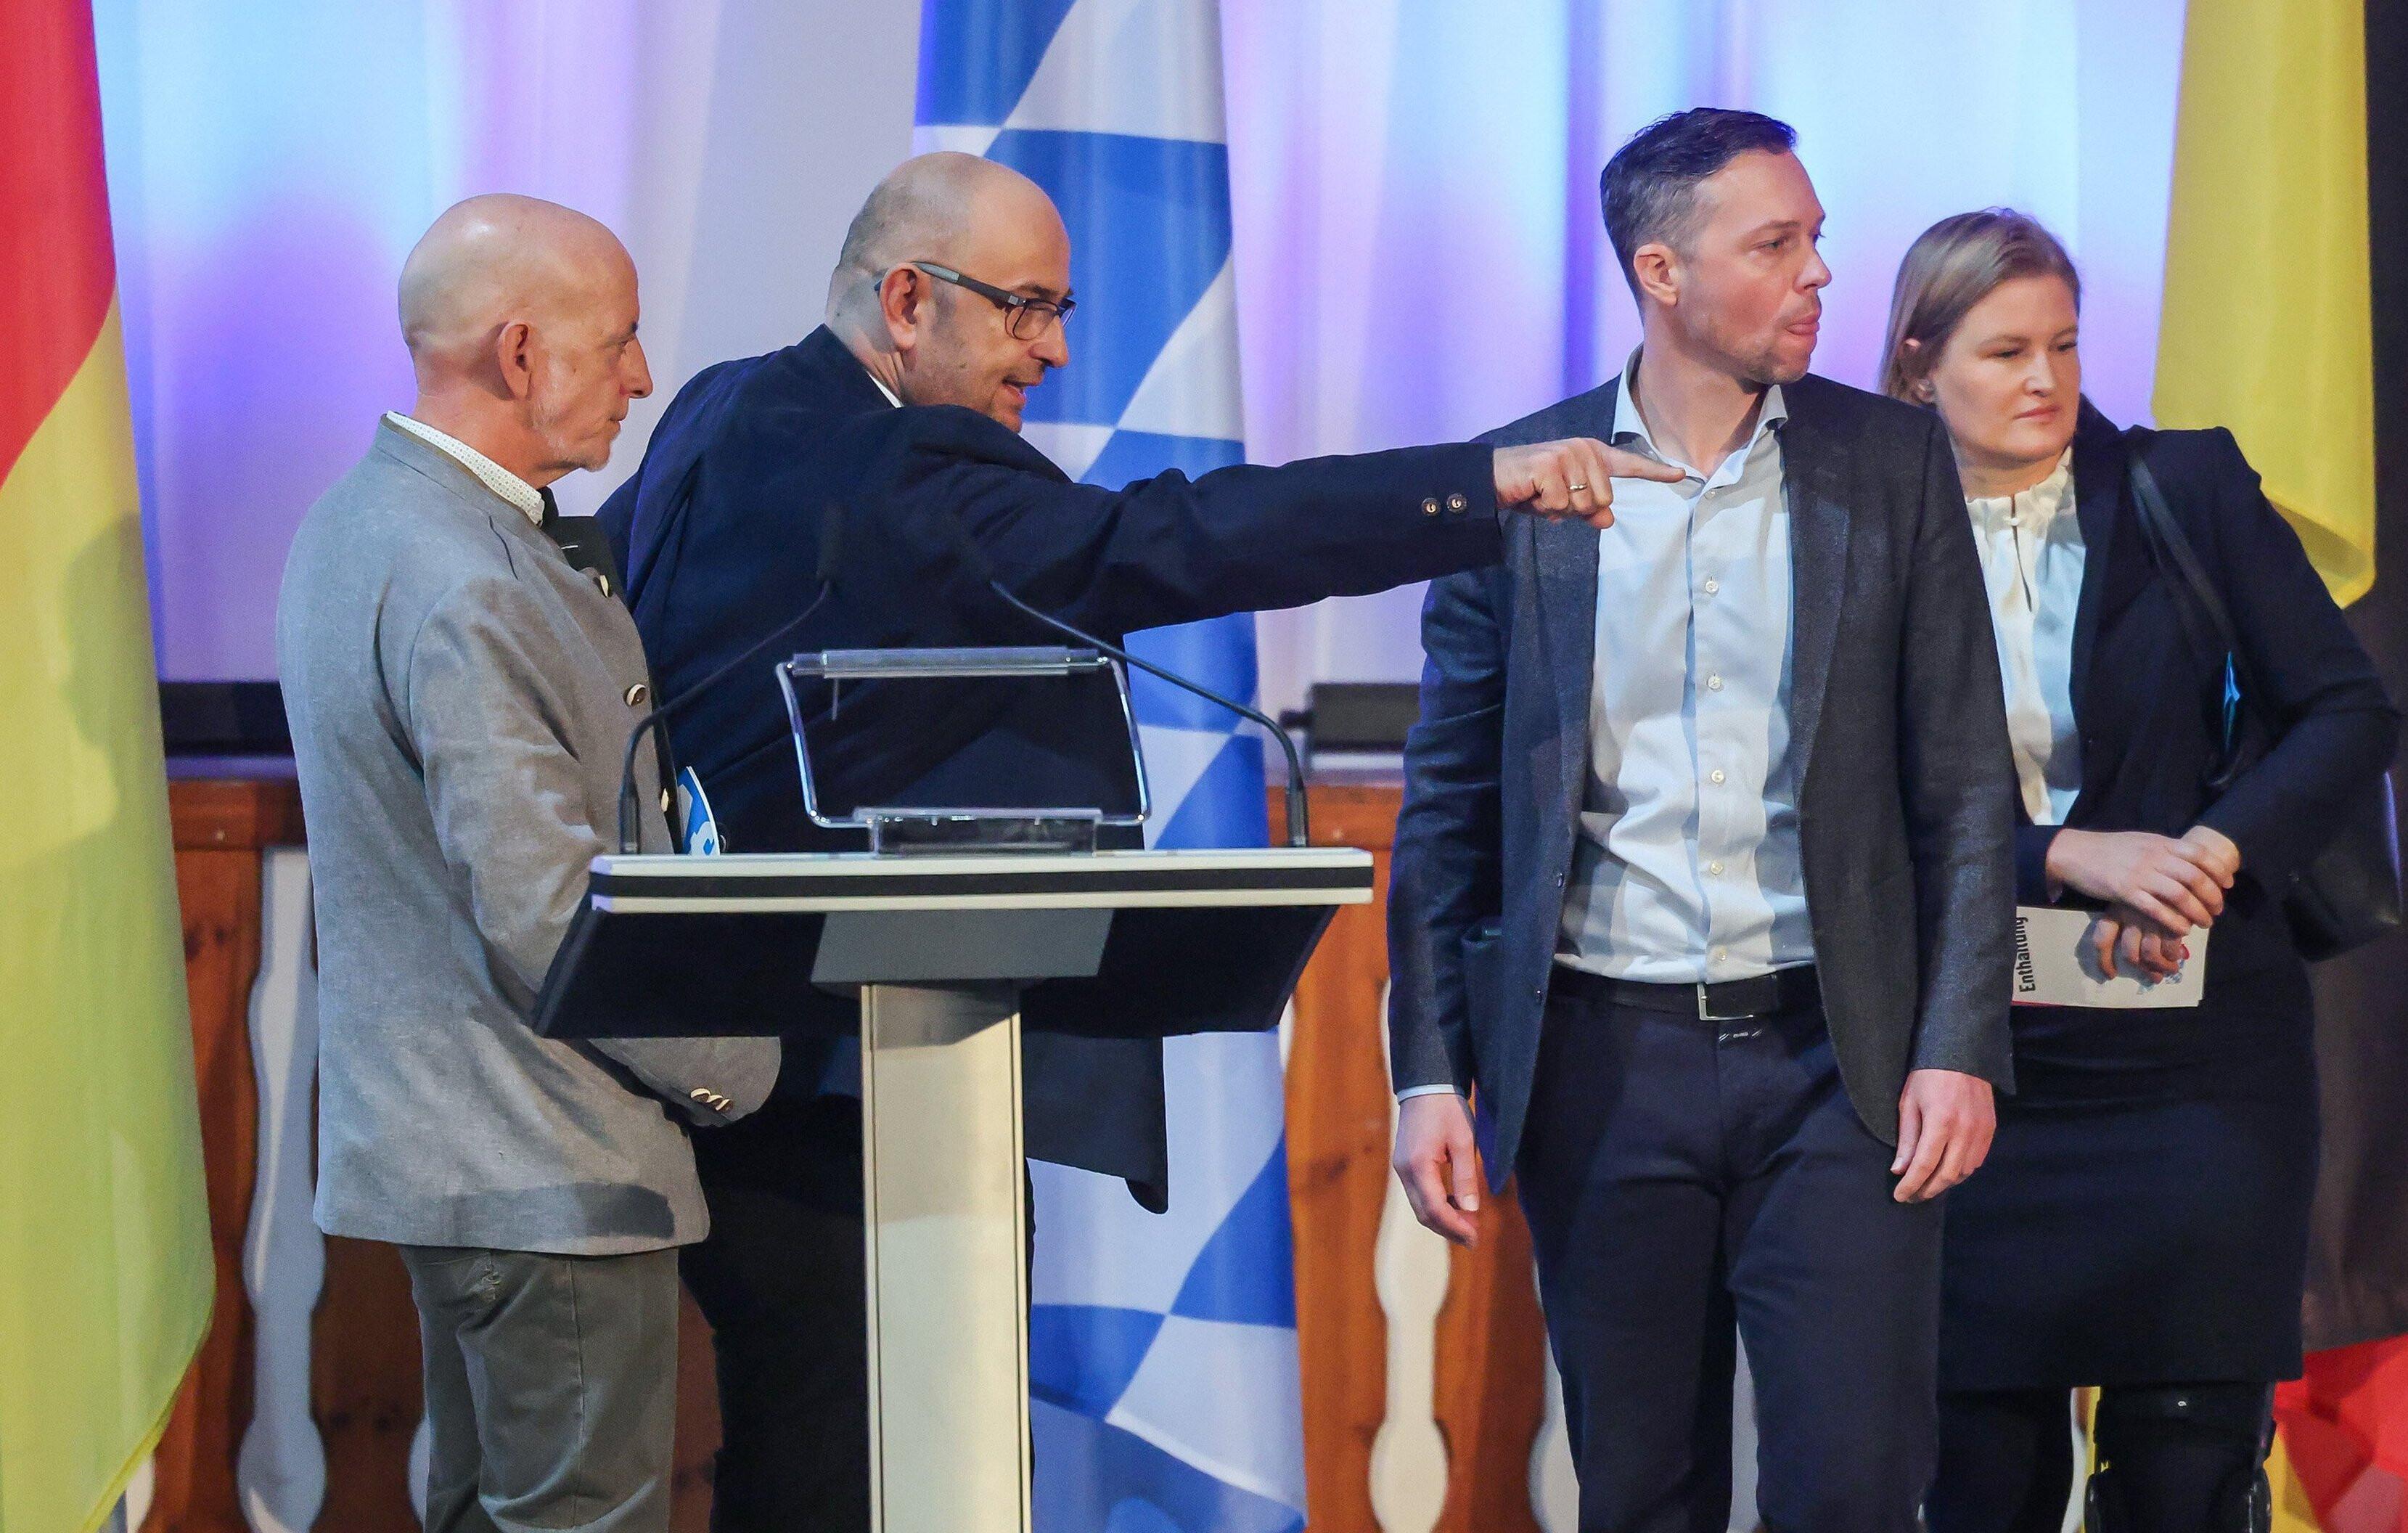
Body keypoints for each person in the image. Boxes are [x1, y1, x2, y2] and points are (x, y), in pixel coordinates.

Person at [597, 150, 1663, 1532]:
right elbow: (1172, 541)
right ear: (909, 299)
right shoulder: (913, 460)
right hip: (855, 1070)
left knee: (806, 1449)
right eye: (1027, 308)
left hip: (721, 1036)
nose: (1050, 350)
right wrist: (1477, 483)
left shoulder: (723, 402)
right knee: (853, 1464)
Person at [1386, 109, 2020, 1531]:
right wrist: (1427, 1069)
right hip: (1605, 1063)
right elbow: (1448, 804)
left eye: (1816, 240)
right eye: (1776, 246)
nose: (1819, 277)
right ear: (1663, 273)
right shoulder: (1517, 476)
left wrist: (1959, 1045)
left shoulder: (1891, 462)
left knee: (1855, 1485)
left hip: (1837, 1060)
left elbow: (1969, 776)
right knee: (1641, 1488)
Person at [1883, 210, 2399, 1532]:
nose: (2046, 380)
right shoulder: (1855, 530)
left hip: (2195, 1076)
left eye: (2062, 343)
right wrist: (2059, 851)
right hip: (1964, 1066)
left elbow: (2347, 710)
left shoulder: (2182, 486)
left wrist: (2216, 850)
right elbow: (1830, 803)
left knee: (2183, 1480)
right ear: (1916, 365)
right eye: (2003, 352)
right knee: (1978, 1482)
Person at [278, 195, 781, 1533]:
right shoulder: (467, 574)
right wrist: (736, 1067)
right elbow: (550, 910)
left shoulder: (357, 521)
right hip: (547, 1164)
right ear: (519, 354)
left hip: (459, 1155)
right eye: (616, 341)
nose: (642, 377)